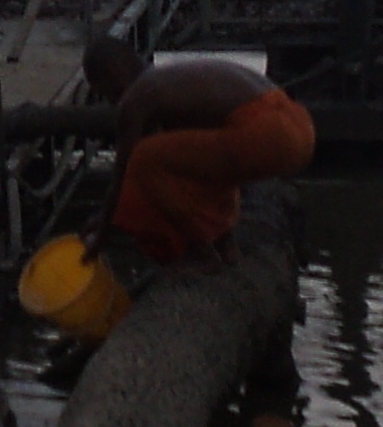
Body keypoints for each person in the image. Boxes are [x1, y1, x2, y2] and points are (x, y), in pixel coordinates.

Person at [83, 37, 316, 265]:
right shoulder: (170, 81)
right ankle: (225, 244)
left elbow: (122, 173)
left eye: (102, 92)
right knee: (198, 163)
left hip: (266, 132)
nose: (109, 102)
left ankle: (201, 249)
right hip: (300, 128)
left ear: (111, 76)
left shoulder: (135, 98)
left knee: (144, 159)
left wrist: (102, 235)